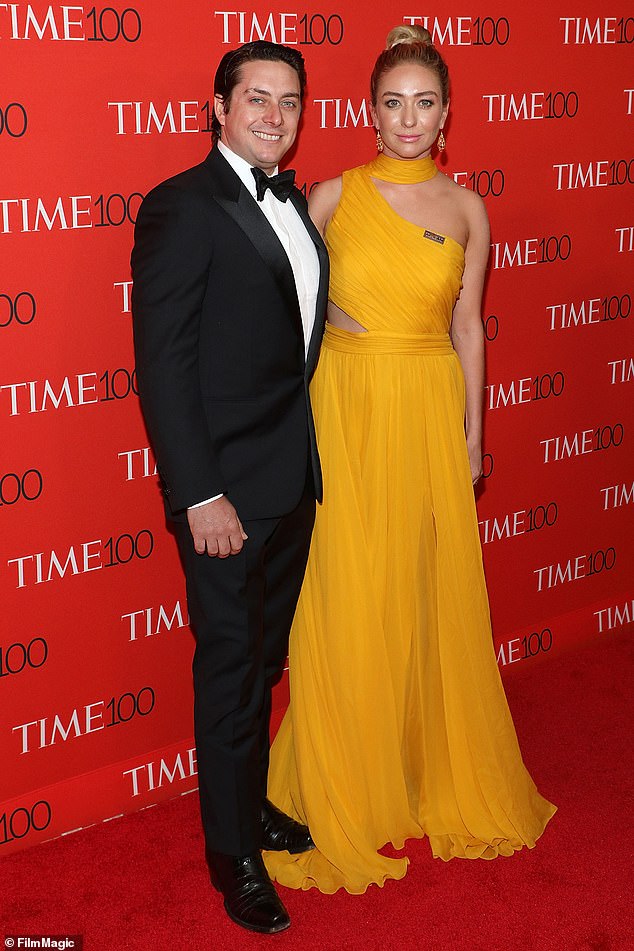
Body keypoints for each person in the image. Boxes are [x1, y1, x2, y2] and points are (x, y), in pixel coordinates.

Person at [264, 25, 556, 895]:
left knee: (424, 590)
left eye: (424, 103)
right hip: (346, 410)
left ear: (447, 114)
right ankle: (350, 777)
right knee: (349, 591)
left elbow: (469, 328)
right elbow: (277, 307)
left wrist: (473, 435)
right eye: (392, 103)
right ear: (370, 110)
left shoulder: (469, 209)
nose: (408, 118)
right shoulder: (328, 195)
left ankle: (422, 765)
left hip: (428, 410)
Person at [131, 41, 329, 933]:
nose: (274, 115)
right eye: (256, 98)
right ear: (217, 106)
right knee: (229, 672)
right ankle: (232, 857)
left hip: (291, 482)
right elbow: (164, 364)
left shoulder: (297, 203)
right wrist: (199, 491)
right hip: (224, 497)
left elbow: (292, 334)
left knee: (265, 664)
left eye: (289, 100)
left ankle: (249, 812)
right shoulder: (182, 206)